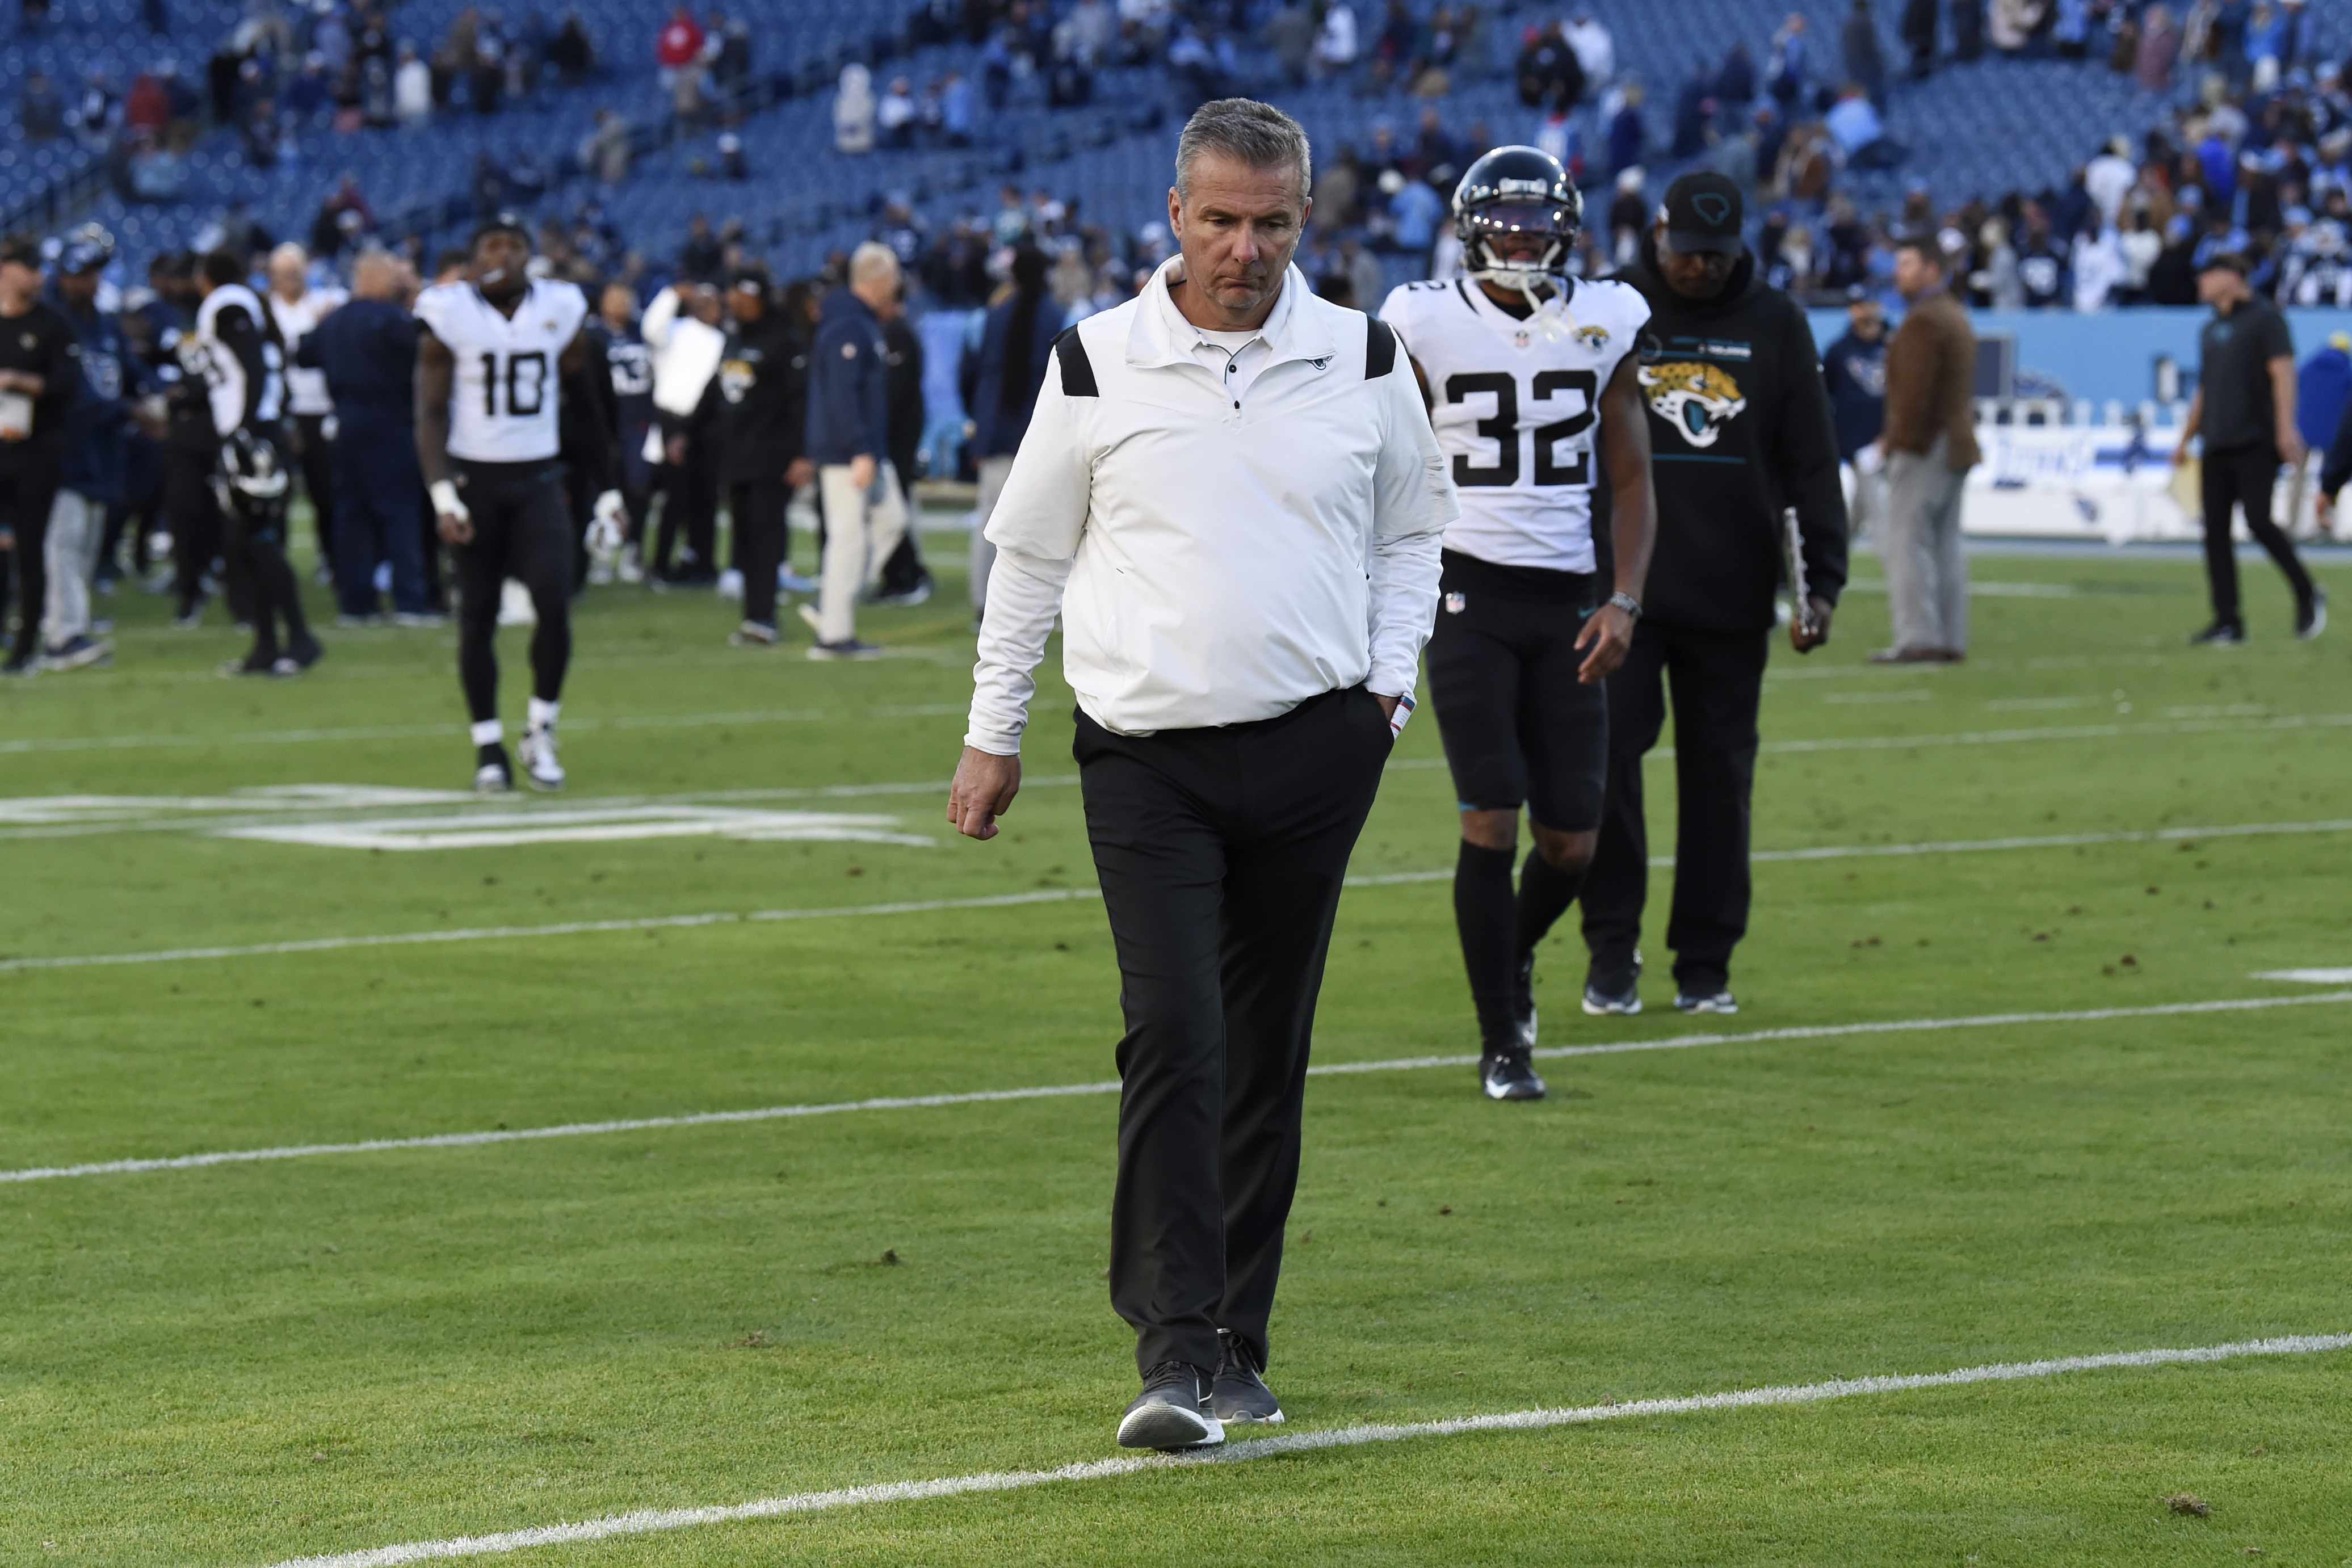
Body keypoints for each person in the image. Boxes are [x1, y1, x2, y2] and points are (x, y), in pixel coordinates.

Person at [948, 98, 1453, 1453]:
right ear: (1174, 214)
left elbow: (1416, 533)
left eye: (1272, 222)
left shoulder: (1363, 353)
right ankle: (1171, 1349)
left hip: (1314, 747)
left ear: (1307, 221)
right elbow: (1033, 559)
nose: (1245, 247)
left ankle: (1238, 1343)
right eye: (1221, 219)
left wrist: (1386, 694)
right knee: (1175, 1032)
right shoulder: (1096, 361)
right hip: (1143, 759)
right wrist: (992, 731)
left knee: (1264, 1046)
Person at [1380, 146, 1654, 1102]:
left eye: (1536, 225)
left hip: (1568, 598)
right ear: (1469, 228)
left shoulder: (1606, 315)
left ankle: (1512, 954)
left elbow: (1630, 476)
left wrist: (1623, 599)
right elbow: (1385, 457)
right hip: (1466, 596)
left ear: (1565, 228)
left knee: (1571, 840)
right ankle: (1502, 1043)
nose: (1520, 240)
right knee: (1488, 814)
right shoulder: (1420, 317)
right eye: (1503, 225)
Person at [1579, 171, 1846, 1017]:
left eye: (1715, 257)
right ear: (1658, 235)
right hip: (1624, 590)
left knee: (1720, 782)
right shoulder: (1610, 309)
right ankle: (1610, 951)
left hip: (1732, 594)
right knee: (1608, 769)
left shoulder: (1775, 322)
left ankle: (1705, 963)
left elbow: (1811, 460)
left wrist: (1822, 584)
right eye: (1688, 254)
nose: (1699, 269)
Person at [414, 213, 625, 791]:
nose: (502, 253)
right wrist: (441, 494)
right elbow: (430, 411)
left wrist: (608, 490)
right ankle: (488, 746)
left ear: (530, 254)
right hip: (475, 484)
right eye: (491, 245)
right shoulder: (450, 312)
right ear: (475, 257)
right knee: (477, 618)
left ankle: (541, 729)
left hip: (537, 480)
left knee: (554, 600)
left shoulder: (559, 308)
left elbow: (586, 407)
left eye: (513, 244)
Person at [2173, 252, 2324, 642]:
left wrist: (2285, 427)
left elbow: (2282, 372)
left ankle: (2307, 591)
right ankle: (2228, 620)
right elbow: (2205, 390)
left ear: (2229, 275)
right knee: (2216, 533)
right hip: (2217, 440)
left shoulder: (2265, 319)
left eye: (2206, 276)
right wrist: (2186, 438)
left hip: (2254, 440)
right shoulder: (2210, 330)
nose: (2200, 284)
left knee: (2259, 520)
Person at [194, 247, 324, 679]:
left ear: (207, 276)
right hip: (259, 429)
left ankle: (300, 638)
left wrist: (244, 431)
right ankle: (267, 645)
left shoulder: (228, 303)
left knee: (258, 540)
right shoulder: (253, 304)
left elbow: (253, 366)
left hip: (252, 434)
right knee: (242, 543)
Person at [296, 248, 434, 623]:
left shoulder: (336, 321)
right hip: (389, 421)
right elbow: (426, 349)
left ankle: (356, 603)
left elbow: (304, 354)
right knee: (399, 512)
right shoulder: (393, 319)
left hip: (345, 423)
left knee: (351, 514)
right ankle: (409, 598)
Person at [43, 225, 154, 672]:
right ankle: (61, 636)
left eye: (92, 273)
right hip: (62, 445)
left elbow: (129, 368)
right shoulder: (51, 321)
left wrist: (154, 393)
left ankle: (75, 620)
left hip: (102, 446)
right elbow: (72, 393)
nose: (86, 282)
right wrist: (130, 411)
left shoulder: (105, 322)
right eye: (79, 274)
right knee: (63, 541)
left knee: (88, 539)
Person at [1871, 236, 1979, 663]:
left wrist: (1897, 442)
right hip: (1955, 442)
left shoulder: (1923, 322)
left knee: (1908, 542)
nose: (1900, 272)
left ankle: (1918, 637)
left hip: (1925, 446)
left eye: (1908, 264)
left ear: (1932, 269)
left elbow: (1913, 397)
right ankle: (1948, 638)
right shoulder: (1954, 314)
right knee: (1945, 544)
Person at [803, 242, 909, 659]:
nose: (897, 286)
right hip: (848, 451)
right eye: (894, 277)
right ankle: (834, 634)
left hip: (864, 448)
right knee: (847, 537)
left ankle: (832, 603)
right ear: (879, 279)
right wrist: (860, 449)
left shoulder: (857, 321)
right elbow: (843, 395)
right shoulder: (849, 324)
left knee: (892, 521)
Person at [712, 264, 812, 645]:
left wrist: (803, 454)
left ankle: (764, 617)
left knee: (766, 536)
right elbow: (718, 390)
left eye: (742, 294)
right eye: (732, 293)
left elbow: (799, 400)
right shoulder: (734, 337)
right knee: (744, 537)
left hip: (771, 455)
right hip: (736, 453)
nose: (734, 301)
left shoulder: (784, 340)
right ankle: (753, 615)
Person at [964, 244, 1060, 624]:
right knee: (1053, 522)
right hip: (1040, 431)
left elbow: (977, 377)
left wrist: (981, 432)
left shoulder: (995, 315)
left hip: (998, 428)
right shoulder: (1055, 316)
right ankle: (1043, 606)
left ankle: (983, 602)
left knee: (990, 518)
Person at [0, 234, 81, 676]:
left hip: (36, 451)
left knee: (30, 551)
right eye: (29, 267)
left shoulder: (52, 325)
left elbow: (66, 387)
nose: (39, 276)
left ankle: (26, 646)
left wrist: (17, 380)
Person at [262, 243, 350, 612]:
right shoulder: (265, 310)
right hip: (280, 411)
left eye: (296, 271)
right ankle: (274, 565)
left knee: (326, 493)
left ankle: (332, 559)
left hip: (320, 408)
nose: (291, 279)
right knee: (275, 495)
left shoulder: (327, 304)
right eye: (284, 273)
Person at [641, 279, 724, 584]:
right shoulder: (674, 332)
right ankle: (661, 565)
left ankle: (702, 564)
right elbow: (651, 327)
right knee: (676, 498)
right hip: (673, 419)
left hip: (707, 423)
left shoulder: (721, 339)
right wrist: (670, 294)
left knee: (706, 497)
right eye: (706, 302)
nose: (712, 309)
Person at [1821, 284, 1888, 541]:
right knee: (1879, 513)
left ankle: (1834, 561)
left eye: (1866, 304)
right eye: (1856, 306)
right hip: (1857, 443)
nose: (1861, 311)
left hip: (1891, 437)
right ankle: (1897, 574)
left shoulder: (1895, 343)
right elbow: (1827, 394)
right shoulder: (1839, 350)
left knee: (1858, 515)